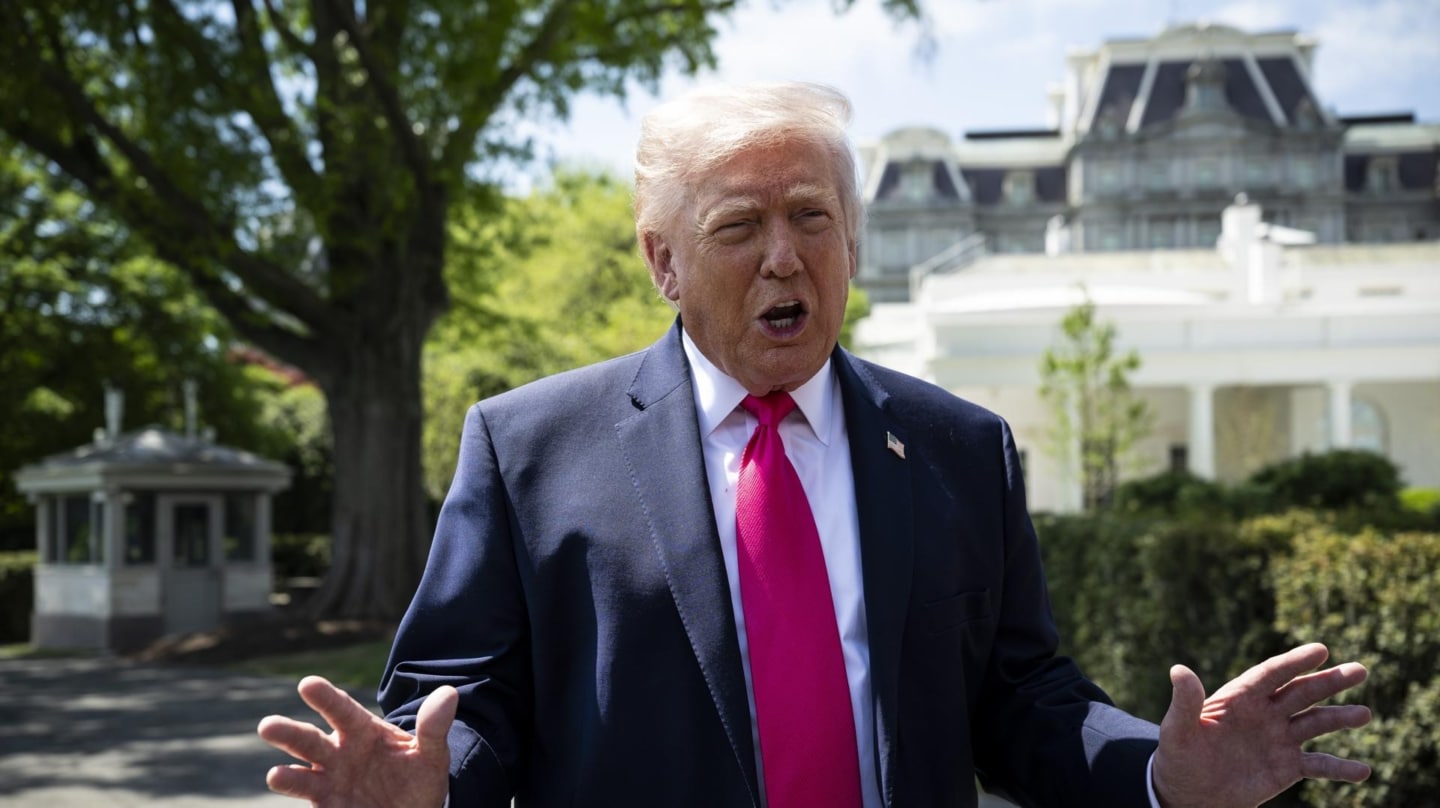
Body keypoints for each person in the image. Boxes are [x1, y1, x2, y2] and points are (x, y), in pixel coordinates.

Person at [257, 82, 1371, 808]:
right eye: (740, 228)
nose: (784, 257)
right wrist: (428, 781)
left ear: (852, 242)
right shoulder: (528, 446)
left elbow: (1026, 698)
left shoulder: (959, 446)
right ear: (664, 261)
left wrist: (1160, 778)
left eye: (813, 218)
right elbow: (460, 704)